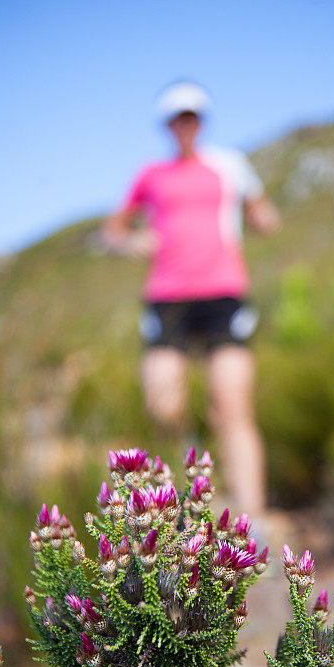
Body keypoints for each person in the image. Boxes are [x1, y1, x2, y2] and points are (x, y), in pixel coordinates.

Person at [102, 81, 281, 516]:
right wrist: (132, 243)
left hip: (223, 295)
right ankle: (193, 491)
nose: (185, 124)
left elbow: (263, 214)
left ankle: (251, 520)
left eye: (192, 116)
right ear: (168, 124)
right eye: (178, 117)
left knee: (232, 409)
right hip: (167, 299)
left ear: (201, 122)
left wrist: (262, 217)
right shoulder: (150, 175)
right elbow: (114, 231)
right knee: (163, 406)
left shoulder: (230, 165)